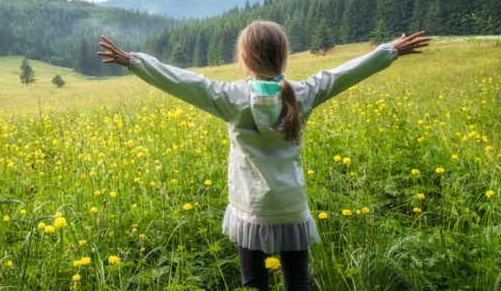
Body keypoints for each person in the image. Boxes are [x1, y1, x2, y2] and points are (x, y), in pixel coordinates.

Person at [97, 21, 430, 291]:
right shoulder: (303, 93)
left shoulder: (231, 98)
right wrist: (390, 50)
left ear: (244, 58)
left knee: (254, 283)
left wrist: (134, 61)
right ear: (283, 57)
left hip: (251, 209)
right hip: (291, 206)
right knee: (298, 282)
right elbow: (343, 74)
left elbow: (184, 82)